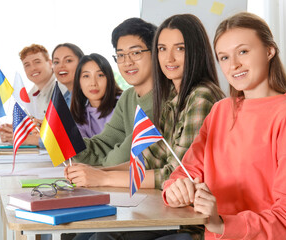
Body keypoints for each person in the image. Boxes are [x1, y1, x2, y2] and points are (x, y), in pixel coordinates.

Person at [69, 13, 225, 240]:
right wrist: (94, 173)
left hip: (190, 222)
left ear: (195, 51)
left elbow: (175, 175)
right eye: (162, 49)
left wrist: (101, 178)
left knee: (101, 236)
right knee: (85, 234)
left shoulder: (201, 97)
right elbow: (148, 159)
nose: (169, 58)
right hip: (169, 211)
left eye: (179, 48)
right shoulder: (173, 100)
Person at [163, 12, 286, 240]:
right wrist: (175, 190)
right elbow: (186, 171)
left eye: (243, 51)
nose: (234, 65)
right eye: (224, 57)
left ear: (270, 51)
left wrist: (222, 223)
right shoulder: (220, 111)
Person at [66, 17, 156, 170]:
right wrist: (67, 142)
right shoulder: (128, 97)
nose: (127, 62)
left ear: (155, 53)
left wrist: (102, 168)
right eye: (120, 55)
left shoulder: (164, 101)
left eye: (135, 53)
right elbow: (103, 143)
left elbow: (122, 157)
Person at [0, 44, 65, 144]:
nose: (32, 68)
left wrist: (26, 137)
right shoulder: (32, 94)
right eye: (27, 65)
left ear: (50, 63)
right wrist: (12, 130)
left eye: (37, 62)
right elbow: (27, 124)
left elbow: (61, 134)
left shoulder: (63, 88)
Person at [70, 53, 123, 138]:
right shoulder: (80, 115)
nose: (93, 83)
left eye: (100, 75)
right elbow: (80, 147)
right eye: (86, 76)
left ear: (109, 79)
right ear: (79, 83)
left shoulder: (123, 104)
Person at [52, 43, 84, 107]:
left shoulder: (91, 97)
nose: (61, 66)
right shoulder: (64, 99)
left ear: (81, 63)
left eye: (68, 60)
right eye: (56, 62)